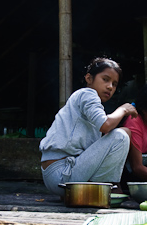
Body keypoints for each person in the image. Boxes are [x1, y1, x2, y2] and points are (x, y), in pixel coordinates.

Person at [39, 57, 138, 196]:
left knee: (123, 133)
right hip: (61, 173)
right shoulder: (87, 94)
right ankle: (108, 188)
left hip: (61, 173)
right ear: (89, 78)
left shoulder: (89, 102)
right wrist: (123, 109)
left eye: (114, 84)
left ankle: (102, 188)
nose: (110, 86)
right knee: (121, 136)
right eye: (105, 79)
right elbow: (106, 125)